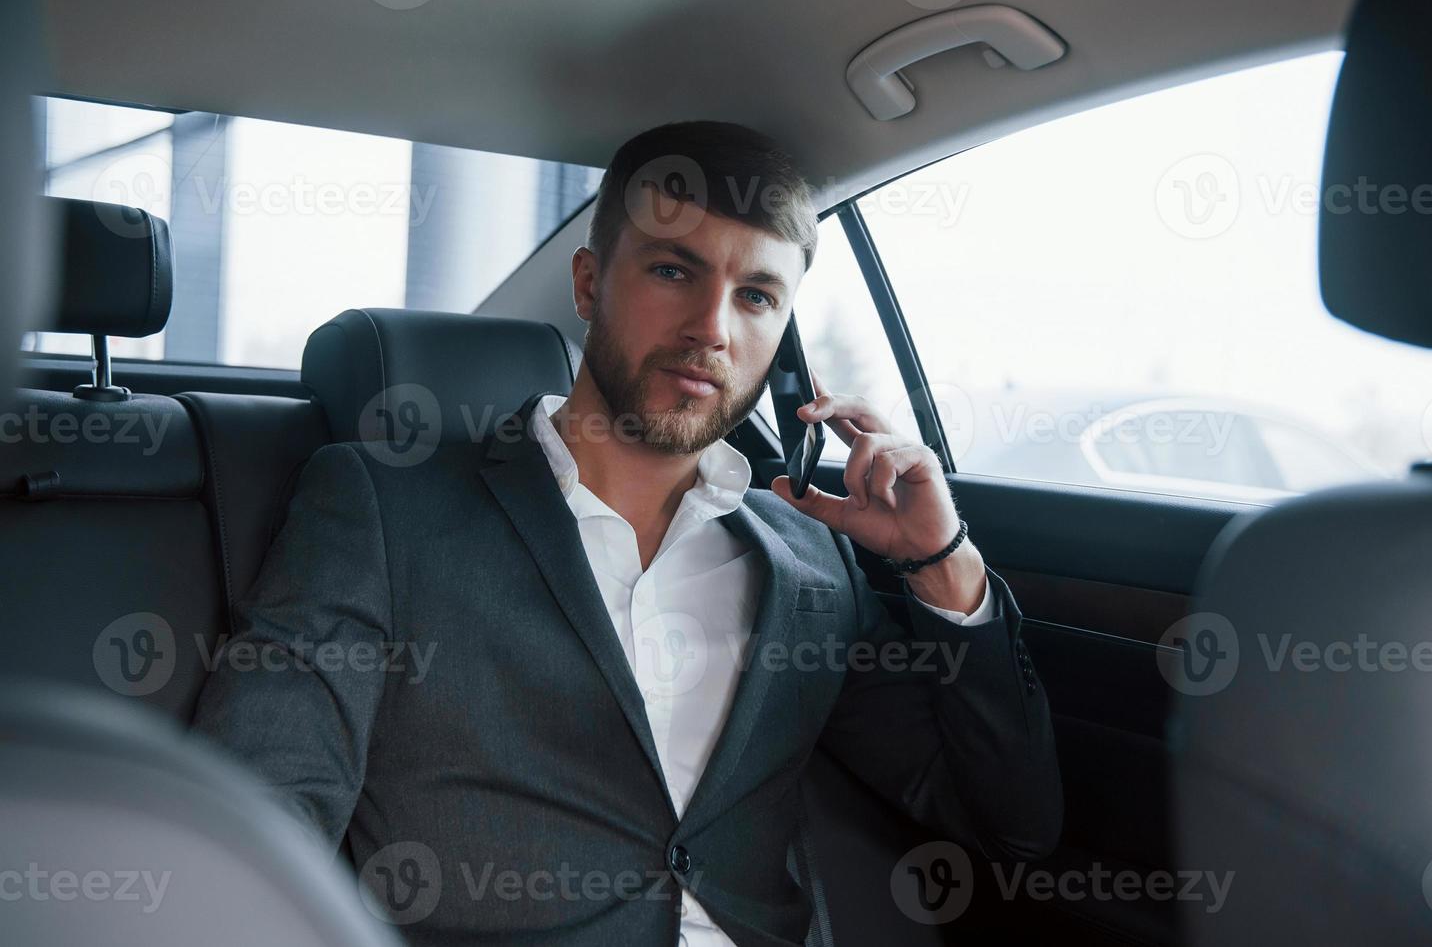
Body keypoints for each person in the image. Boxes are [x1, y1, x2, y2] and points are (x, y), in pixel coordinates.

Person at [193, 120, 1062, 946]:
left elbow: (1011, 825)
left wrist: (943, 566)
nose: (712, 330)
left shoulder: (811, 563)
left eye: (756, 295)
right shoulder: (385, 511)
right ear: (587, 283)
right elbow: (258, 828)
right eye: (675, 273)